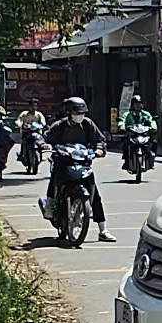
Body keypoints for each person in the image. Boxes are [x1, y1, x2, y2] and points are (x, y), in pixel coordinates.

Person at [43, 96, 113, 240]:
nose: (80, 116)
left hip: (83, 162)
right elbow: (46, 138)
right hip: (63, 161)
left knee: (95, 195)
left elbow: (100, 140)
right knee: (55, 178)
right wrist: (47, 145)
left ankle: (103, 230)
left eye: (82, 113)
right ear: (69, 113)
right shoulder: (59, 126)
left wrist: (99, 149)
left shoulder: (88, 124)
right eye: (77, 113)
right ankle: (49, 204)